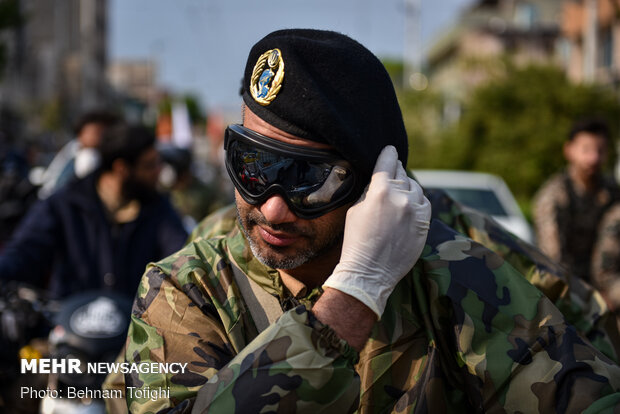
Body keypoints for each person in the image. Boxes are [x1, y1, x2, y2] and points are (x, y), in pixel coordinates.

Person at [119, 30, 620, 413]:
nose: (271, 208)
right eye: (253, 166)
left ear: (375, 184)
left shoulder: (453, 278)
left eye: (309, 180)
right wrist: (352, 301)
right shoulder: (187, 289)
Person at [0, 123, 188, 299]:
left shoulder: (159, 210)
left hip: (135, 330)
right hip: (67, 326)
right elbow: (23, 252)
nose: (158, 171)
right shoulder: (64, 204)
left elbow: (180, 258)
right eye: (149, 165)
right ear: (121, 168)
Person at [533, 118, 619, 283]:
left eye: (600, 150)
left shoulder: (612, 192)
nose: (593, 158)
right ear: (569, 150)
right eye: (586, 150)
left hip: (608, 283)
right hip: (568, 287)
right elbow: (553, 260)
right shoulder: (554, 197)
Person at [37, 109, 119, 199]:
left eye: (103, 133)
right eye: (95, 132)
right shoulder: (85, 156)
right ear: (81, 134)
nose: (100, 137)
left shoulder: (81, 151)